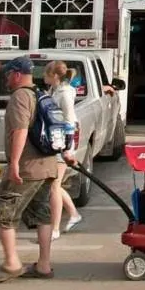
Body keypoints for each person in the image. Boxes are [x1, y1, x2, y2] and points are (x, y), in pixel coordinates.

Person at [0, 57, 57, 283]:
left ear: (16, 74)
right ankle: (44, 265)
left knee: (3, 211)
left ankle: (11, 264)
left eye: (7, 74)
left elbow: (20, 130)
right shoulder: (41, 93)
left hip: (27, 168)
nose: (6, 79)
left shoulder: (20, 97)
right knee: (42, 214)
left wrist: (14, 162)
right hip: (47, 165)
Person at [43, 61, 84, 239]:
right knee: (54, 185)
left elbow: (69, 121)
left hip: (61, 143)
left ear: (55, 76)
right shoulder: (54, 90)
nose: (43, 77)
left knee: (54, 186)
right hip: (54, 141)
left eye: (46, 74)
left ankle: (54, 229)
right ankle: (74, 214)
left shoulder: (65, 93)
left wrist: (67, 148)